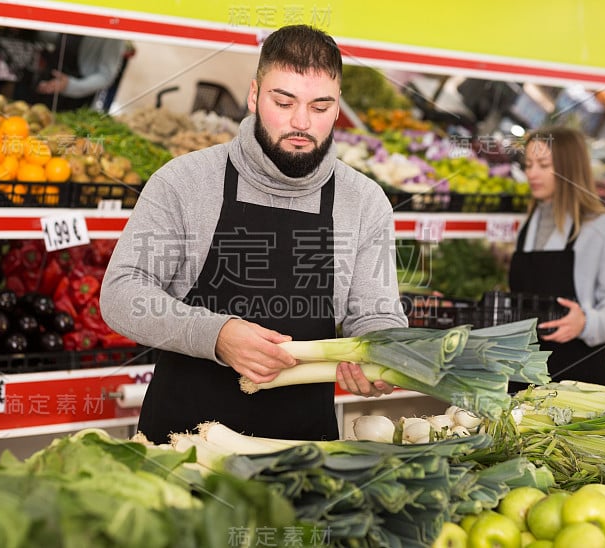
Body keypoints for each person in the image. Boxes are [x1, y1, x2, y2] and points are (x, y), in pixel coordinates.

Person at [100, 25, 407, 444]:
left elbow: (376, 313)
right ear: (254, 96)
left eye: (321, 107)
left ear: (337, 110)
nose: (301, 122)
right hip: (180, 448)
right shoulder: (185, 181)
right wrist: (218, 335)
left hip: (303, 453)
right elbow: (121, 292)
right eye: (284, 102)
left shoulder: (365, 201)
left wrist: (380, 355)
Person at [509, 126, 605, 386]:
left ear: (569, 168)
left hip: (579, 376)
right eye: (529, 164)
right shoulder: (527, 225)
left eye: (543, 164)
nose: (532, 173)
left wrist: (586, 322)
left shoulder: (601, 227)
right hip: (524, 373)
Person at [17, 31, 127, 111]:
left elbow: (106, 76)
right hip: (44, 84)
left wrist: (70, 85)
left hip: (75, 101)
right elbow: (47, 36)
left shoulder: (114, 30)